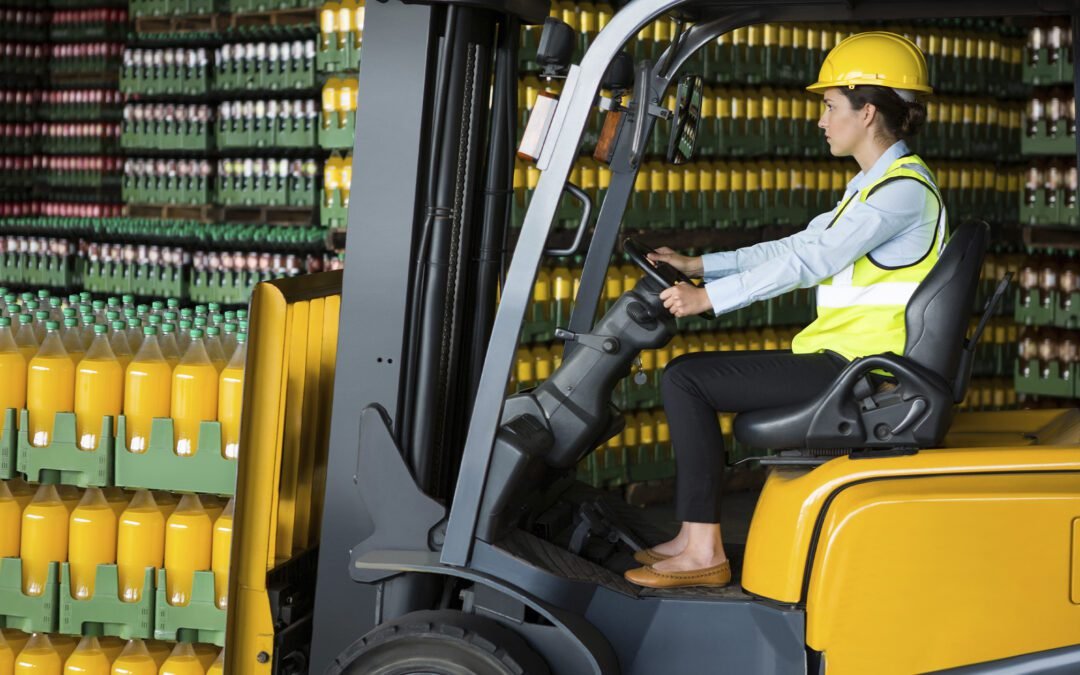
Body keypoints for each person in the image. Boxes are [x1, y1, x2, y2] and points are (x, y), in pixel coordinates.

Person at [623, 31, 947, 589]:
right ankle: (691, 535)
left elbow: (810, 261)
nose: (821, 121)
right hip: (851, 361)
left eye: (829, 107)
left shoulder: (901, 194)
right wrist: (701, 266)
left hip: (861, 369)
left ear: (866, 112)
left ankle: (703, 549)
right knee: (685, 377)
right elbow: (793, 246)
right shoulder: (875, 188)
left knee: (687, 381)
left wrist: (709, 300)